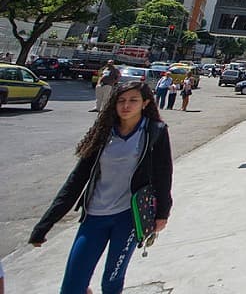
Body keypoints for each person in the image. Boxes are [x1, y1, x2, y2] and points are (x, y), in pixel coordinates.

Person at [29, 81, 173, 294]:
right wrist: (45, 223)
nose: (126, 106)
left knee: (111, 282)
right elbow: (76, 180)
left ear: (145, 103)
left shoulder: (155, 132)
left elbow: (163, 174)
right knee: (72, 285)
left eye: (133, 100)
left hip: (129, 218)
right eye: (121, 101)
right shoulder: (104, 134)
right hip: (94, 216)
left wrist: (162, 213)